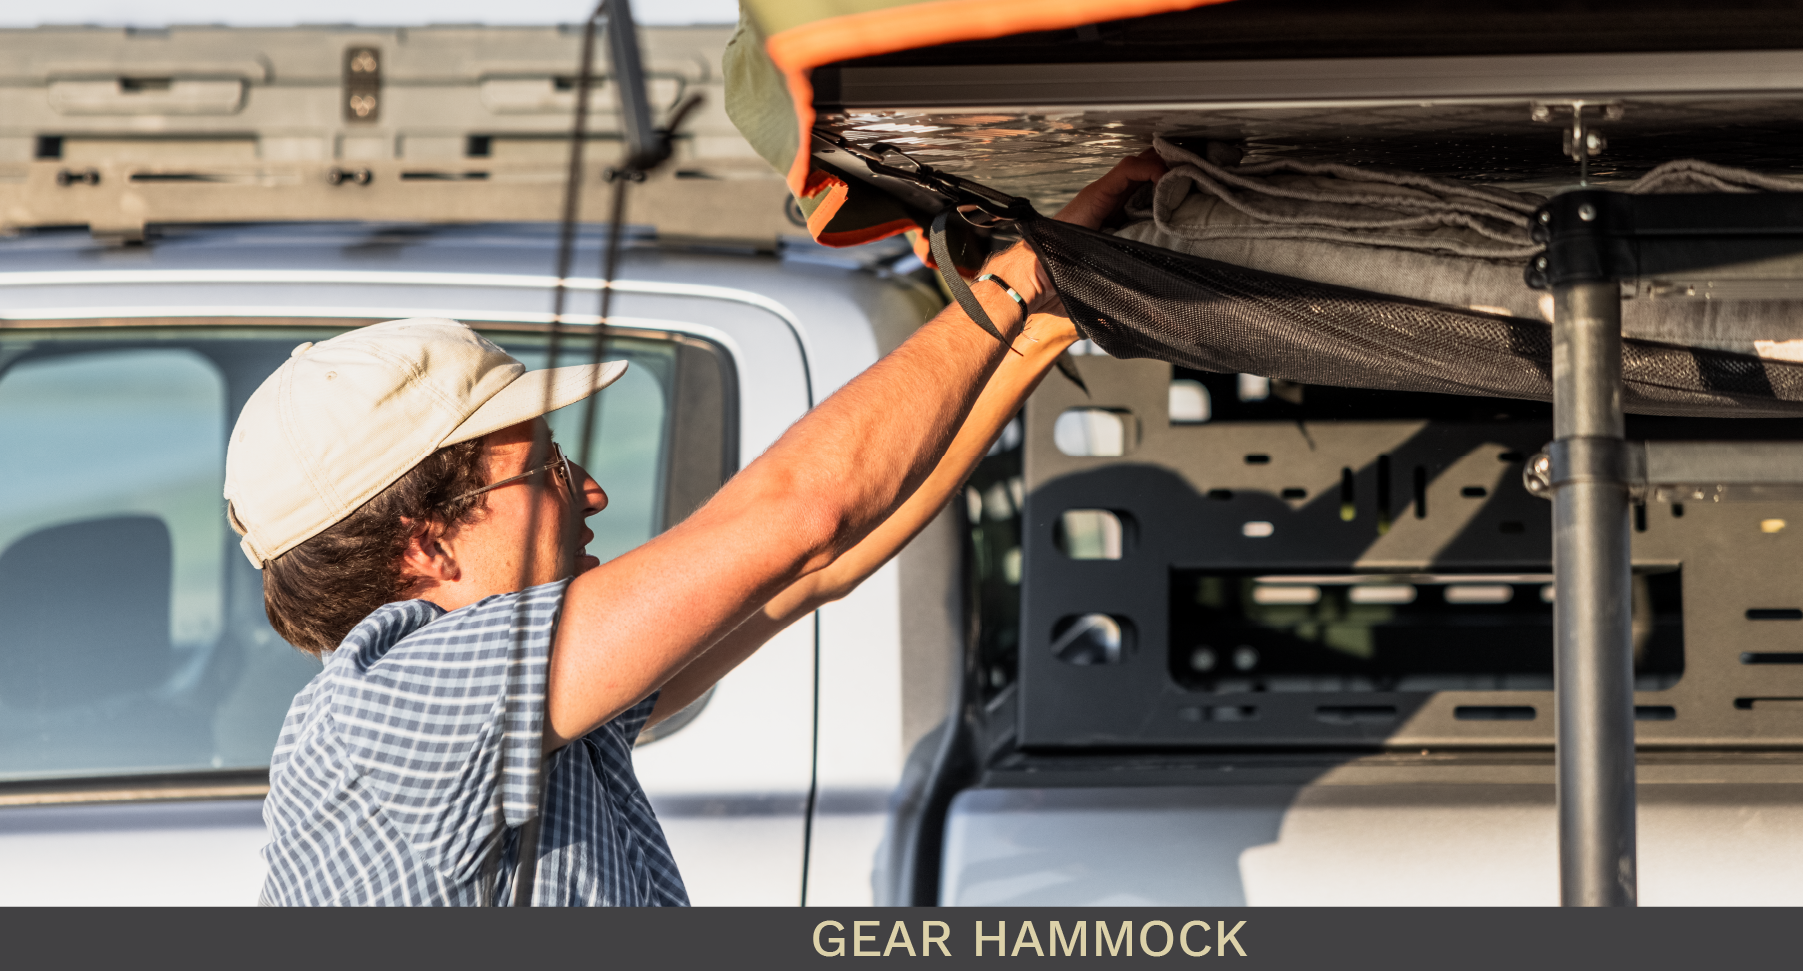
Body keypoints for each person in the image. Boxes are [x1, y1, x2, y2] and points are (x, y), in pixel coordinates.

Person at [225, 153, 1163, 905]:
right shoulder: (397, 705)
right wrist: (1005, 286)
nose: (589, 494)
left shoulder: (519, 708)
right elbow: (795, 520)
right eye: (547, 467)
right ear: (423, 541)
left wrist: (1037, 318)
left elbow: (812, 566)